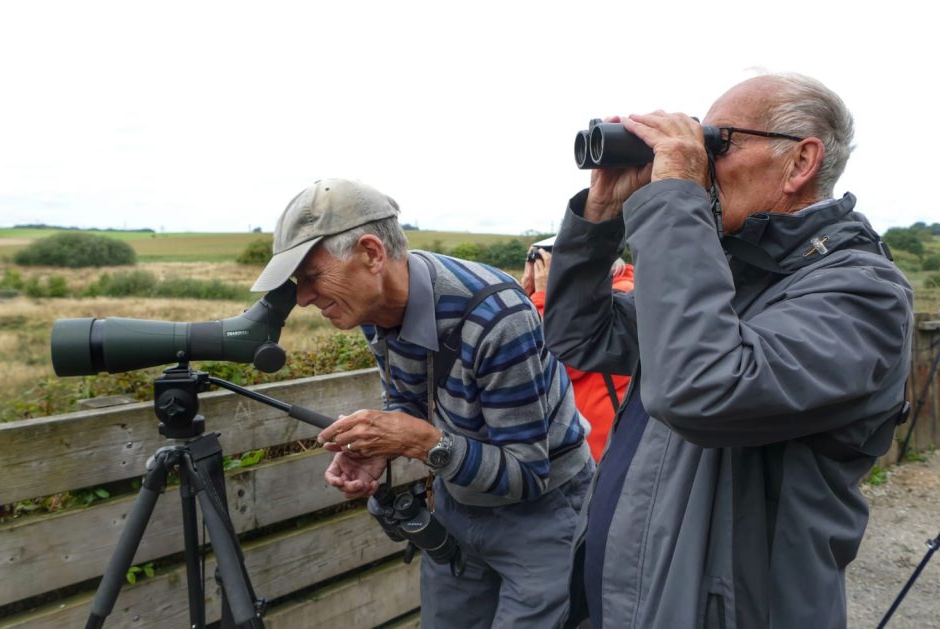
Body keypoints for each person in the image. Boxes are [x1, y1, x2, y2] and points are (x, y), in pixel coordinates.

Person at [543, 73, 913, 628]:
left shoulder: (862, 294)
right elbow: (578, 333)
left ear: (800, 162)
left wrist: (675, 200)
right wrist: (601, 217)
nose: (702, 161)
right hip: (625, 598)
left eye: (719, 142)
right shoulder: (729, 276)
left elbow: (702, 389)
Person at [250, 178, 594, 628]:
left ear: (372, 254)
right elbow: (407, 398)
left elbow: (528, 473)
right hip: (457, 502)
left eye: (312, 277)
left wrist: (422, 443)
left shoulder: (497, 318)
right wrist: (379, 451)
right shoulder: (371, 310)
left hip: (542, 512)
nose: (304, 297)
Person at [521, 240, 634, 459]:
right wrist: (525, 292)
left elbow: (552, 360)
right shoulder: (619, 286)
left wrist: (544, 296)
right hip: (593, 431)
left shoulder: (619, 294)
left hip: (600, 441)